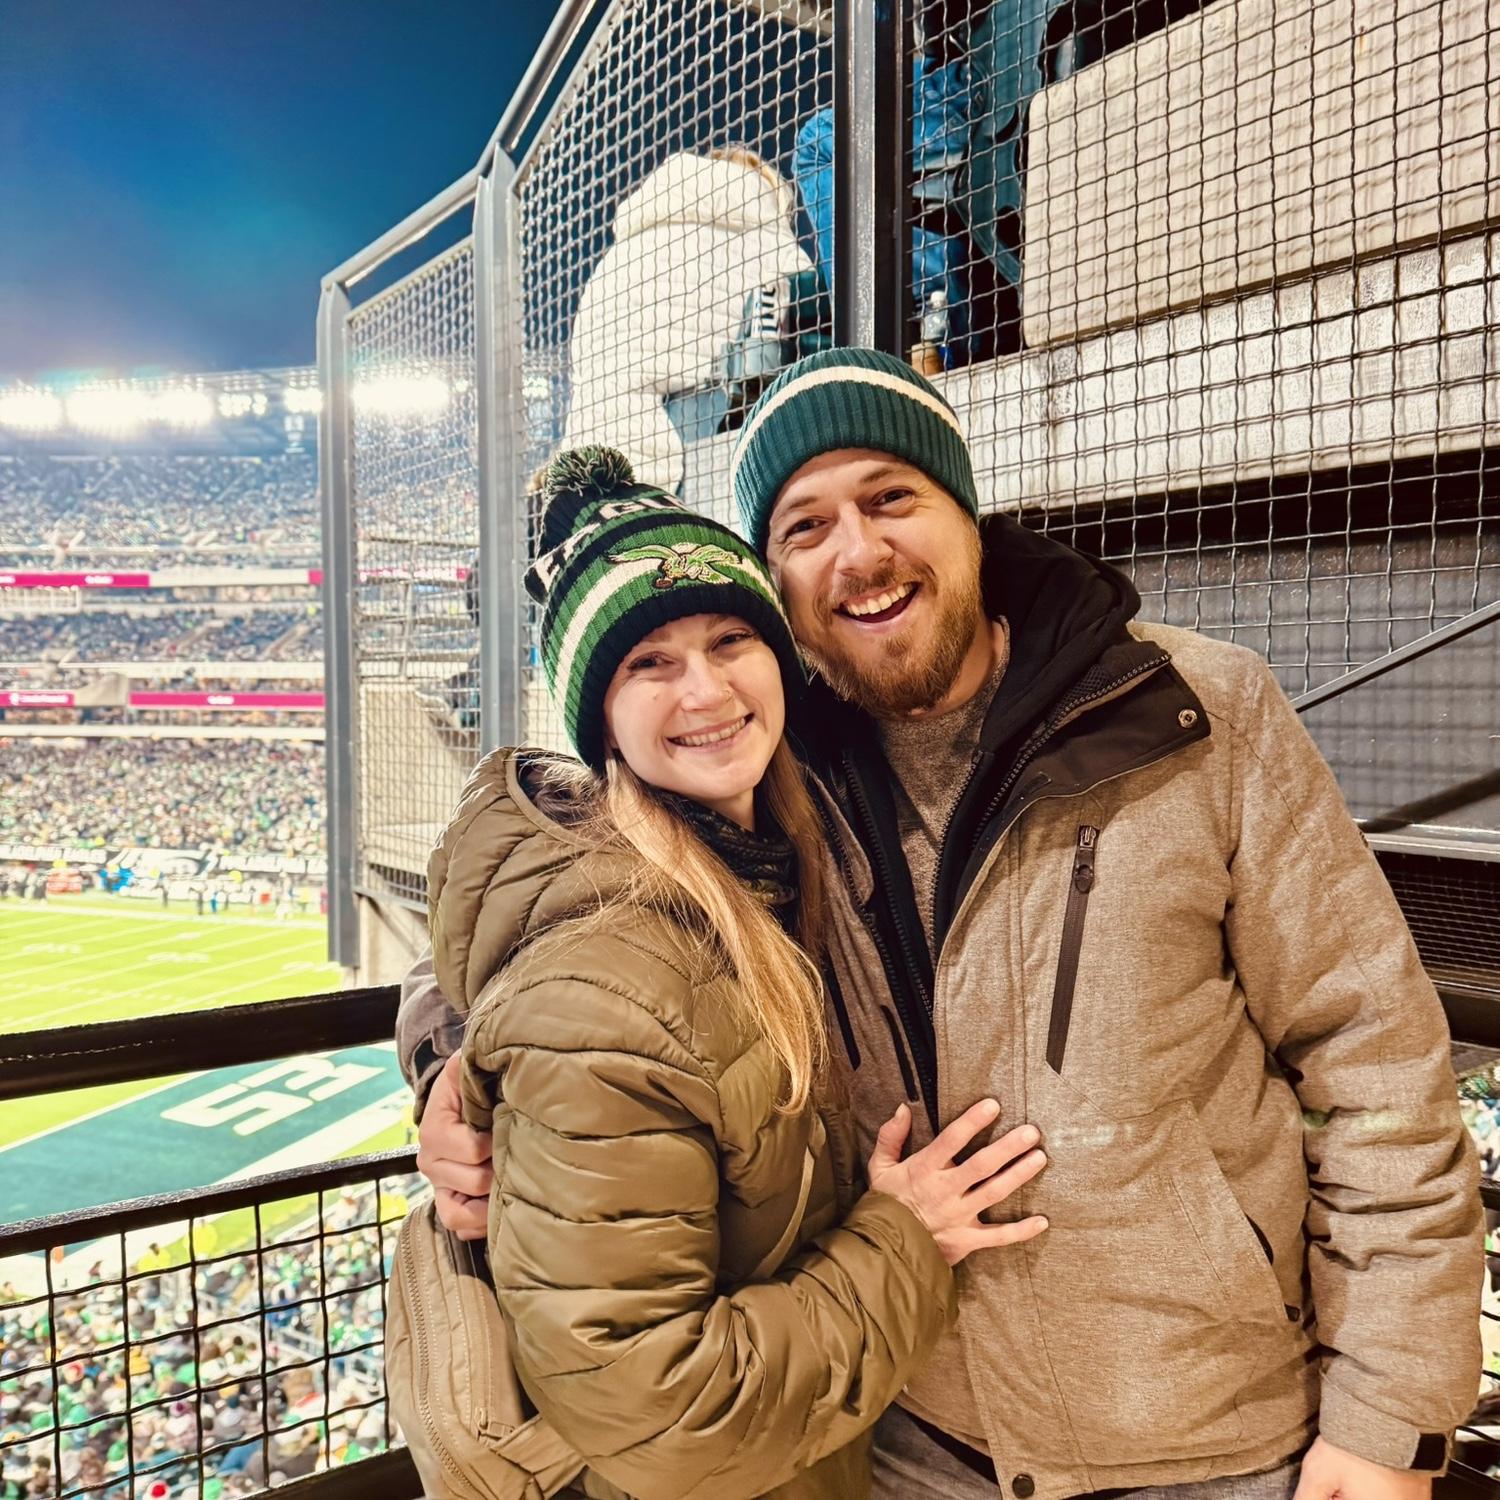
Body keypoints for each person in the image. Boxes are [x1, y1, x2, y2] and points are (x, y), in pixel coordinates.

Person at [401, 351, 1482, 1500]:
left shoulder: (1197, 708)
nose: (859, 553)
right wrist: (451, 1069)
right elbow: (545, 908)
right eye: (806, 526)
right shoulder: (758, 756)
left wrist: (1388, 1416)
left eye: (890, 498)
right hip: (908, 1440)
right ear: (778, 578)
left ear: (966, 513)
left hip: (1213, 1443)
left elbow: (1376, 1061)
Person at [411, 444, 1049, 1498]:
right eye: (648, 663)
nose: (705, 690)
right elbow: (662, 1413)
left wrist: (450, 1058)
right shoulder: (613, 980)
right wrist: (906, 1241)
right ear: (597, 718)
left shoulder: (772, 851)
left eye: (729, 640)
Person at [559, 148, 814, 492]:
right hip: (696, 452)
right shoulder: (768, 242)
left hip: (590, 460)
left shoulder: (615, 259)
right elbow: (805, 321)